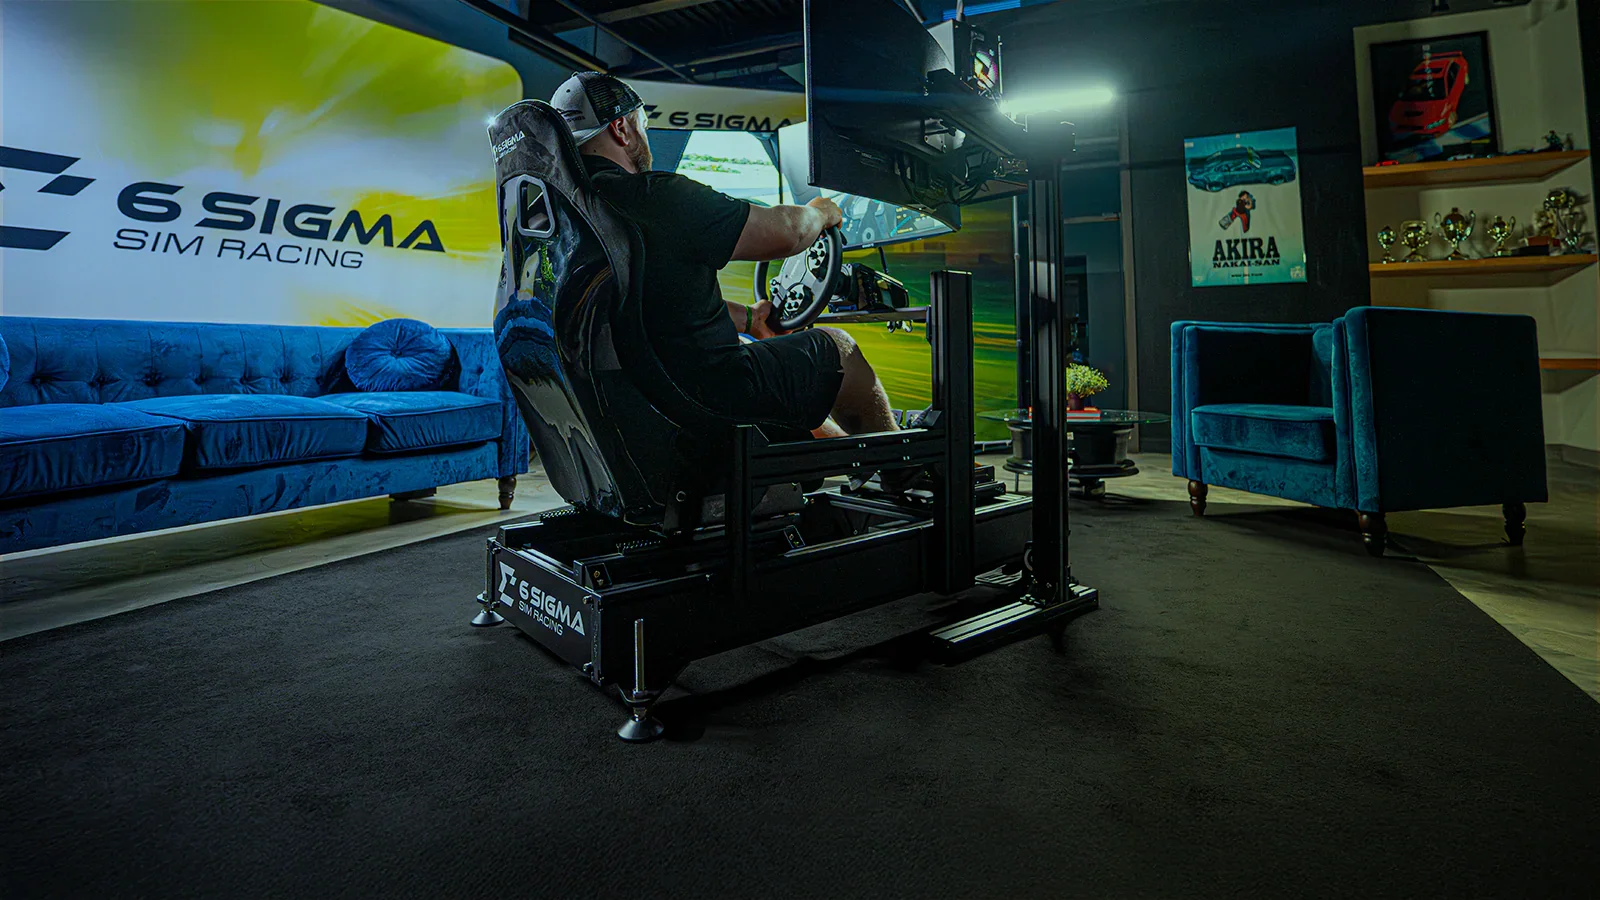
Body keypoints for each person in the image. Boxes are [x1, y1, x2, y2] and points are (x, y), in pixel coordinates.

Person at [550, 72, 899, 440]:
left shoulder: (568, 218)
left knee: (784, 376)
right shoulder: (653, 197)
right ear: (622, 129)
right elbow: (787, 233)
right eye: (644, 124)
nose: (644, 135)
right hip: (708, 398)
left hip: (640, 409)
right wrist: (821, 212)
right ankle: (902, 466)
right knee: (837, 349)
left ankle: (853, 458)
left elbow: (645, 306)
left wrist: (750, 318)